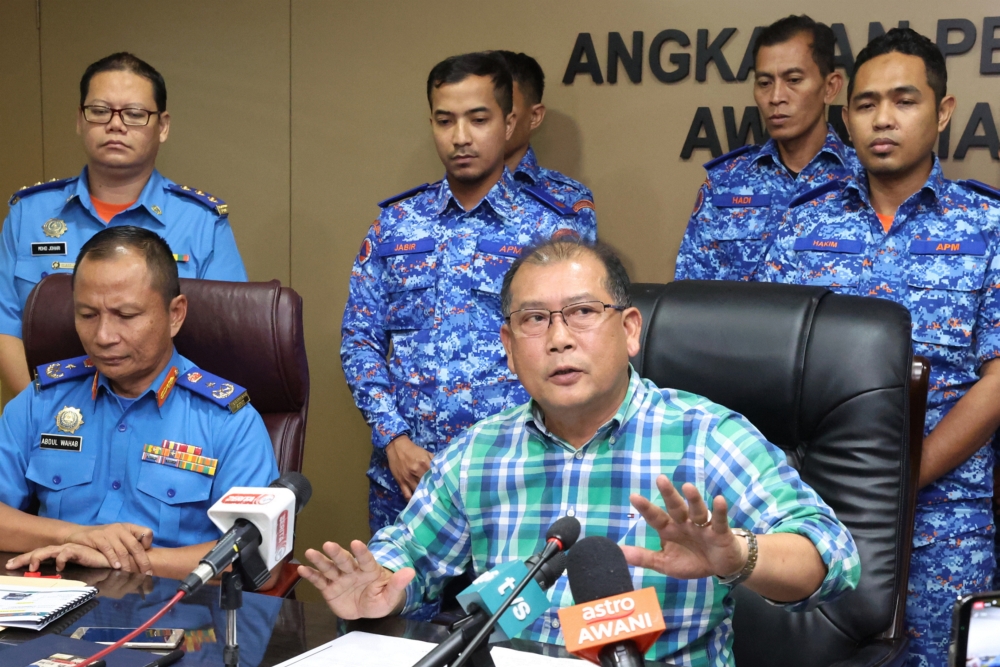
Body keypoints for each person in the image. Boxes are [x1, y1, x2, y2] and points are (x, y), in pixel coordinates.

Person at [310, 239, 860, 666]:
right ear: (508, 347)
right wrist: (377, 590)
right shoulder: (478, 453)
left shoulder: (705, 436)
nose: (558, 339)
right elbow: (406, 558)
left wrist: (740, 555)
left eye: (581, 312)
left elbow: (833, 556)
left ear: (629, 330)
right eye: (534, 319)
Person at [761, 28, 1000, 667]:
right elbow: (769, 364)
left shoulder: (987, 227)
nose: (883, 120)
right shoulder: (804, 222)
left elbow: (999, 379)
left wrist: (903, 477)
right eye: (866, 105)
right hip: (814, 514)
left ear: (943, 111)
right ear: (847, 116)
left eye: (904, 100)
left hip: (946, 522)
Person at [341, 51, 597, 535]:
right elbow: (359, 340)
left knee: (512, 610)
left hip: (516, 479)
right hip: (408, 480)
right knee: (394, 608)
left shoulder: (551, 226)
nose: (460, 137)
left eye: (478, 119)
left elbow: (573, 344)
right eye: (445, 120)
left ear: (508, 123)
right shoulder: (396, 223)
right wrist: (392, 436)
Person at [0, 226, 278, 582]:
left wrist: (113, 558)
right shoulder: (42, 401)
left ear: (175, 314)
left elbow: (261, 561)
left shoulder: (225, 420)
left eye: (126, 316)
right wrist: (74, 536)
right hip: (49, 610)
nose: (103, 337)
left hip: (173, 614)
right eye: (87, 315)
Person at [0, 52, 248, 396]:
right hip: (51, 424)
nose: (115, 124)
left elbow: (225, 338)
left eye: (134, 114)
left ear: (162, 127)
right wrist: (40, 412)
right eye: (100, 111)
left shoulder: (201, 222)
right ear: (79, 120)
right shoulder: (30, 214)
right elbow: (5, 325)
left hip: (167, 422)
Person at [675, 15, 856, 282]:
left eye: (793, 80)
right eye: (764, 83)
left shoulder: (864, 178)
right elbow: (691, 295)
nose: (775, 97)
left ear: (830, 88)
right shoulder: (725, 182)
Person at [496, 50, 598, 237]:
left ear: (534, 116)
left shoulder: (568, 200)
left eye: (504, 109)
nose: (489, 121)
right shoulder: (430, 201)